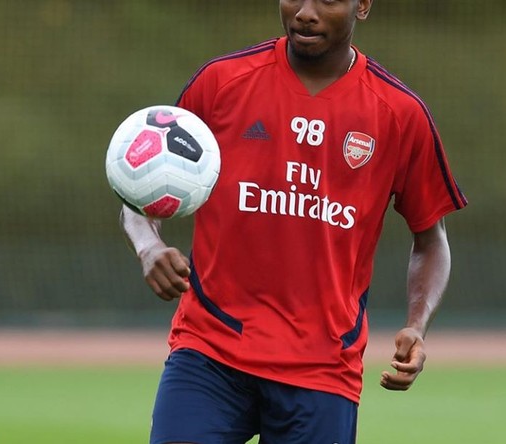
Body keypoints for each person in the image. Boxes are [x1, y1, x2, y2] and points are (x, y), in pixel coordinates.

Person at [121, 1, 467, 442]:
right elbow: (140, 185)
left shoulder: (399, 113)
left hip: (322, 368)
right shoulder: (222, 83)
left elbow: (431, 239)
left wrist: (416, 325)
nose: (305, 12)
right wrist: (148, 246)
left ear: (362, 5)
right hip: (210, 349)